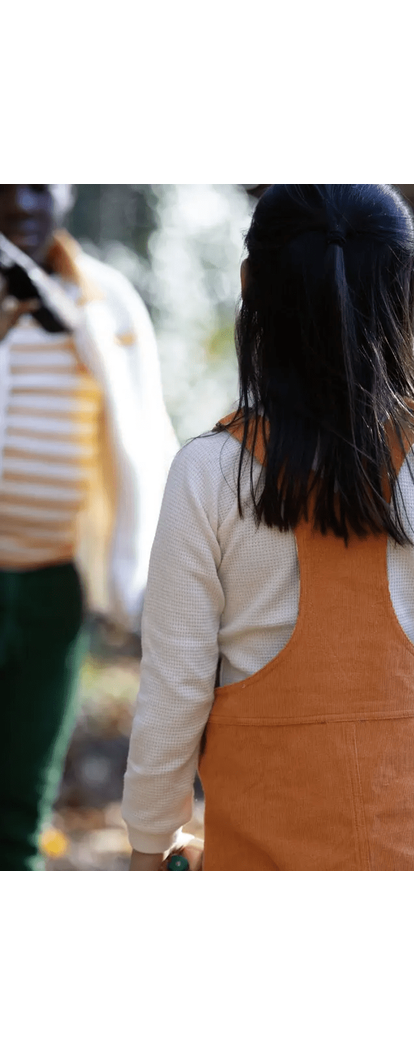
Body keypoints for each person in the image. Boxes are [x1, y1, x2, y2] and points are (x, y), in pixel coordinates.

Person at [122, 184, 414, 872]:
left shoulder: (206, 474)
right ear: (408, 294)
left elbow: (174, 692)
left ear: (248, 285)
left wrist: (147, 847)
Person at [0, 184, 178, 870]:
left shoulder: (108, 302)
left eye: (42, 180)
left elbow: (146, 440)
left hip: (54, 588)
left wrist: (144, 583)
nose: (22, 197)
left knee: (21, 801)